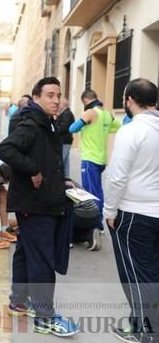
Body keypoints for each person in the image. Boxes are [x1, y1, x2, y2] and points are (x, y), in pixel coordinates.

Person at [0, 77, 79, 337]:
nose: (56, 101)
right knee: (42, 260)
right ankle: (45, 318)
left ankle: (19, 301)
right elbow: (5, 149)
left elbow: (44, 157)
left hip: (38, 201)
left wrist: (61, 180)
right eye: (50, 95)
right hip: (37, 204)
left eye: (58, 96)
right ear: (37, 97)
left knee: (24, 251)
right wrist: (32, 170)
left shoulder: (46, 123)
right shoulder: (32, 122)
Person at [104, 78, 159, 343]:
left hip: (135, 214)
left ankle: (146, 334)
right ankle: (139, 325)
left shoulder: (131, 130)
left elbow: (117, 177)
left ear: (129, 100)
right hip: (153, 211)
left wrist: (110, 211)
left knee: (137, 277)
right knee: (152, 274)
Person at [69, 89, 121, 234]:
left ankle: (97, 225)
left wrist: (85, 123)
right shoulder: (106, 114)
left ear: (85, 101)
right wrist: (101, 130)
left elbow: (72, 128)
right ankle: (99, 224)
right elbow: (117, 127)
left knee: (91, 194)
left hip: (89, 159)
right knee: (98, 191)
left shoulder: (90, 112)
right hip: (101, 159)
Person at [56, 98, 75, 178]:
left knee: (61, 161)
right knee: (66, 161)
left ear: (64, 105)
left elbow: (63, 127)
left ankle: (59, 178)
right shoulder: (65, 113)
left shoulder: (66, 114)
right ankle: (66, 178)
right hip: (65, 141)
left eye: (59, 104)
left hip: (64, 141)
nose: (57, 105)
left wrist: (54, 129)